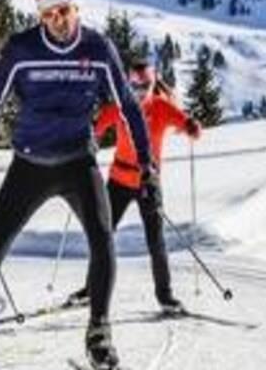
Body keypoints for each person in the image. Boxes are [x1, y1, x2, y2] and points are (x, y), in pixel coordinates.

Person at [0, 0, 154, 370]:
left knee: (103, 242)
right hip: (29, 165)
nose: (59, 20)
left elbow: (128, 106)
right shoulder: (22, 50)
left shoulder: (98, 48)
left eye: (65, 11)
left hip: (78, 163)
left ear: (77, 8)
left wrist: (146, 164)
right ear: (40, 15)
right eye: (49, 13)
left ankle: (99, 333)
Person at [70, 60, 201, 315]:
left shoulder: (161, 106)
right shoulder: (121, 105)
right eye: (134, 86)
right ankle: (91, 290)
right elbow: (97, 126)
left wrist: (192, 127)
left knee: (155, 240)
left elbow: (185, 123)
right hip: (118, 180)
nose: (139, 92)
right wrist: (86, 135)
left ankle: (165, 297)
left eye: (144, 86)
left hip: (147, 181)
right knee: (102, 236)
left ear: (153, 84)